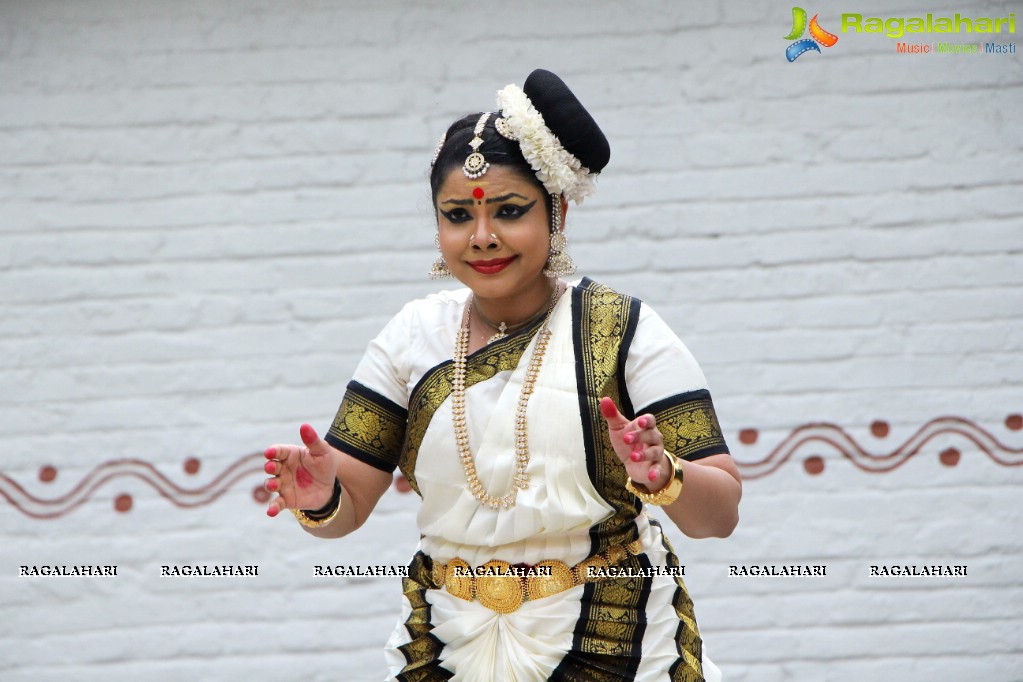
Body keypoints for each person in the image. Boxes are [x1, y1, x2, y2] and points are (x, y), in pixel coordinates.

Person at [263, 69, 742, 682]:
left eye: (510, 212)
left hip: (609, 641)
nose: (483, 237)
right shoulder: (413, 336)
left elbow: (720, 514)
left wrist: (666, 476)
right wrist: (322, 496)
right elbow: (350, 502)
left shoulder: (621, 330)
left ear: (557, 213)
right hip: (448, 640)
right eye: (458, 215)